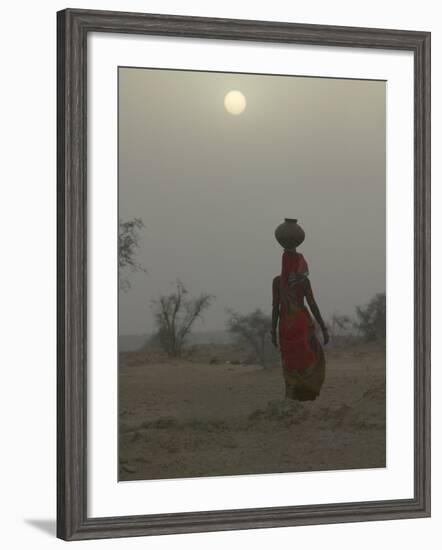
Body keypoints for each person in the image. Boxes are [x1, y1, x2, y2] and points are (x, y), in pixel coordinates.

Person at [271, 249, 329, 401]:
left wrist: (272, 330)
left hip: (285, 326)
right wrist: (323, 327)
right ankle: (308, 394)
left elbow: (275, 308)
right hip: (302, 323)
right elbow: (312, 304)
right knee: (312, 356)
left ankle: (292, 394)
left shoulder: (277, 282)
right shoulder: (303, 282)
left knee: (290, 361)